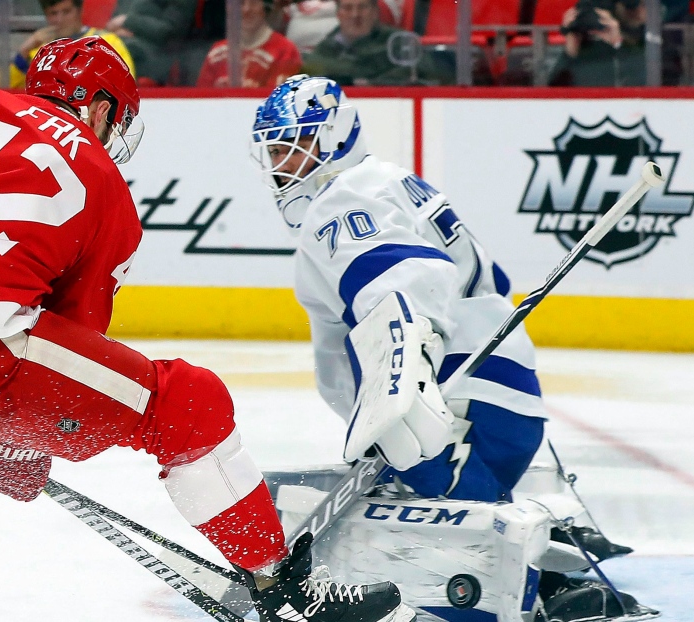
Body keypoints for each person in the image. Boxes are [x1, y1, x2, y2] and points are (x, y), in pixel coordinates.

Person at [0, 37, 420, 622]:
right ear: (96, 108)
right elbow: (68, 338)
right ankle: (283, 587)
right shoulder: (106, 190)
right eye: (114, 117)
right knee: (187, 402)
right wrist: (21, 449)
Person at [249, 75, 647, 618]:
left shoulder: (340, 199)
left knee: (431, 489)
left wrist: (405, 376)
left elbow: (406, 277)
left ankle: (528, 584)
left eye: (292, 147)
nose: (281, 164)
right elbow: (484, 275)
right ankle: (558, 574)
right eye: (272, 150)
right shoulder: (384, 181)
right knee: (450, 498)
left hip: (459, 386)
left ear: (336, 137)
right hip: (502, 382)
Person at [300, 0, 448, 85]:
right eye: (348, 8)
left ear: (375, 11)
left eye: (362, 7)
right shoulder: (327, 47)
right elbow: (314, 74)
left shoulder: (398, 41)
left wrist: (363, 82)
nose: (355, 14)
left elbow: (422, 70)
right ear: (338, 14)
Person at [547, 0, 680, 86]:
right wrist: (570, 52)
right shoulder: (586, 51)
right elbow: (551, 95)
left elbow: (649, 86)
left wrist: (618, 44)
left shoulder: (658, 43)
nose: (639, 10)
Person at [9, 0, 134, 89]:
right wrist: (24, 51)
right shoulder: (39, 50)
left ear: (80, 11)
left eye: (66, 11)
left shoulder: (107, 41)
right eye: (53, 13)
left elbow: (127, 83)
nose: (60, 19)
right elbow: (14, 89)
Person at [196, 0, 302, 88]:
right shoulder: (217, 52)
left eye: (254, 3)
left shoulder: (285, 50)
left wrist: (252, 93)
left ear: (265, 8)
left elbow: (281, 102)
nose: (247, 9)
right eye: (240, 3)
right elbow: (200, 101)